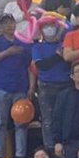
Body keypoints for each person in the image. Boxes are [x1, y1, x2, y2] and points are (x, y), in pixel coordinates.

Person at [0, 14, 32, 158]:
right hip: (1, 87)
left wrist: (31, 88)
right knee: (0, 123)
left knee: (21, 123)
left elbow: (30, 66)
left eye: (11, 22)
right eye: (5, 23)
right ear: (1, 27)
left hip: (20, 87)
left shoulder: (23, 42)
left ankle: (20, 156)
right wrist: (7, 53)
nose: (9, 26)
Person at [31, 15, 71, 148]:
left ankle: (66, 145)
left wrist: (63, 21)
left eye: (52, 25)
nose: (49, 29)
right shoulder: (37, 47)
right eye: (46, 26)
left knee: (66, 117)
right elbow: (42, 65)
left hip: (65, 83)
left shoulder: (64, 44)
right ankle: (49, 148)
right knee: (48, 119)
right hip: (46, 85)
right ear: (41, 30)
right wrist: (58, 56)